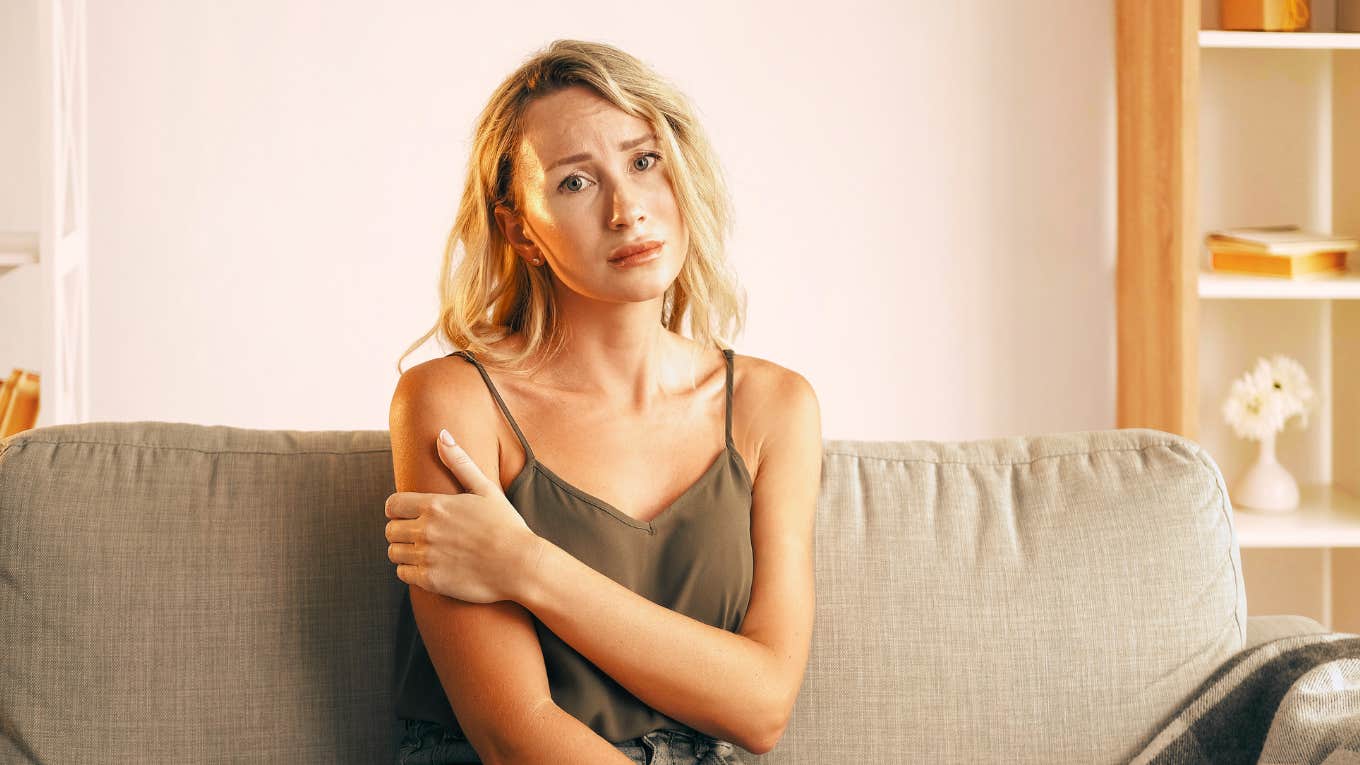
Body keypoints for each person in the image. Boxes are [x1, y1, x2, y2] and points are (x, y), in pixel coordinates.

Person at [382, 38, 821, 765]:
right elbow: (511, 729)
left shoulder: (775, 408)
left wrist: (526, 564)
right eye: (575, 183)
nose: (627, 210)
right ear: (520, 226)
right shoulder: (451, 400)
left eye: (644, 161)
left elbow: (763, 706)